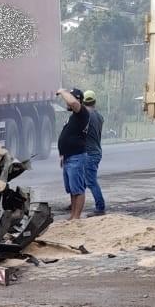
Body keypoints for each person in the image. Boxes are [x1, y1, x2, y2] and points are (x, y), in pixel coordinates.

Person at [57, 88, 90, 220]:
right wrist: (62, 154)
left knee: (78, 189)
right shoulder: (74, 117)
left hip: (76, 157)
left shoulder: (82, 113)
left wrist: (62, 91)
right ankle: (72, 216)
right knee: (72, 189)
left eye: (70, 99)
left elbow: (74, 103)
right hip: (69, 157)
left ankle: (76, 217)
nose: (67, 103)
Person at [82, 90, 105, 217]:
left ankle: (100, 207)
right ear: (94, 102)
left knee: (91, 181)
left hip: (89, 153)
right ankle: (76, 202)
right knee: (83, 181)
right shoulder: (99, 117)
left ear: (83, 102)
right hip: (96, 151)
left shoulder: (85, 117)